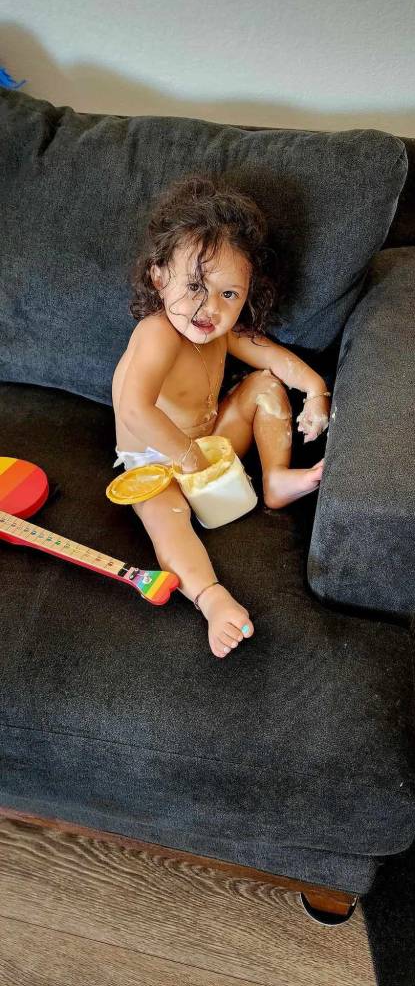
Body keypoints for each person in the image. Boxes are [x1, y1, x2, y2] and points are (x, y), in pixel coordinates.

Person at [112, 173, 331, 659]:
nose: (210, 307)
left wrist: (316, 389)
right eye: (195, 286)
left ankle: (275, 478)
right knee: (169, 523)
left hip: (209, 445)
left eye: (229, 294)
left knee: (264, 385)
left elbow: (273, 359)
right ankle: (210, 598)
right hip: (155, 463)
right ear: (158, 277)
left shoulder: (221, 332)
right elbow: (134, 408)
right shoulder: (157, 333)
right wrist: (190, 459)